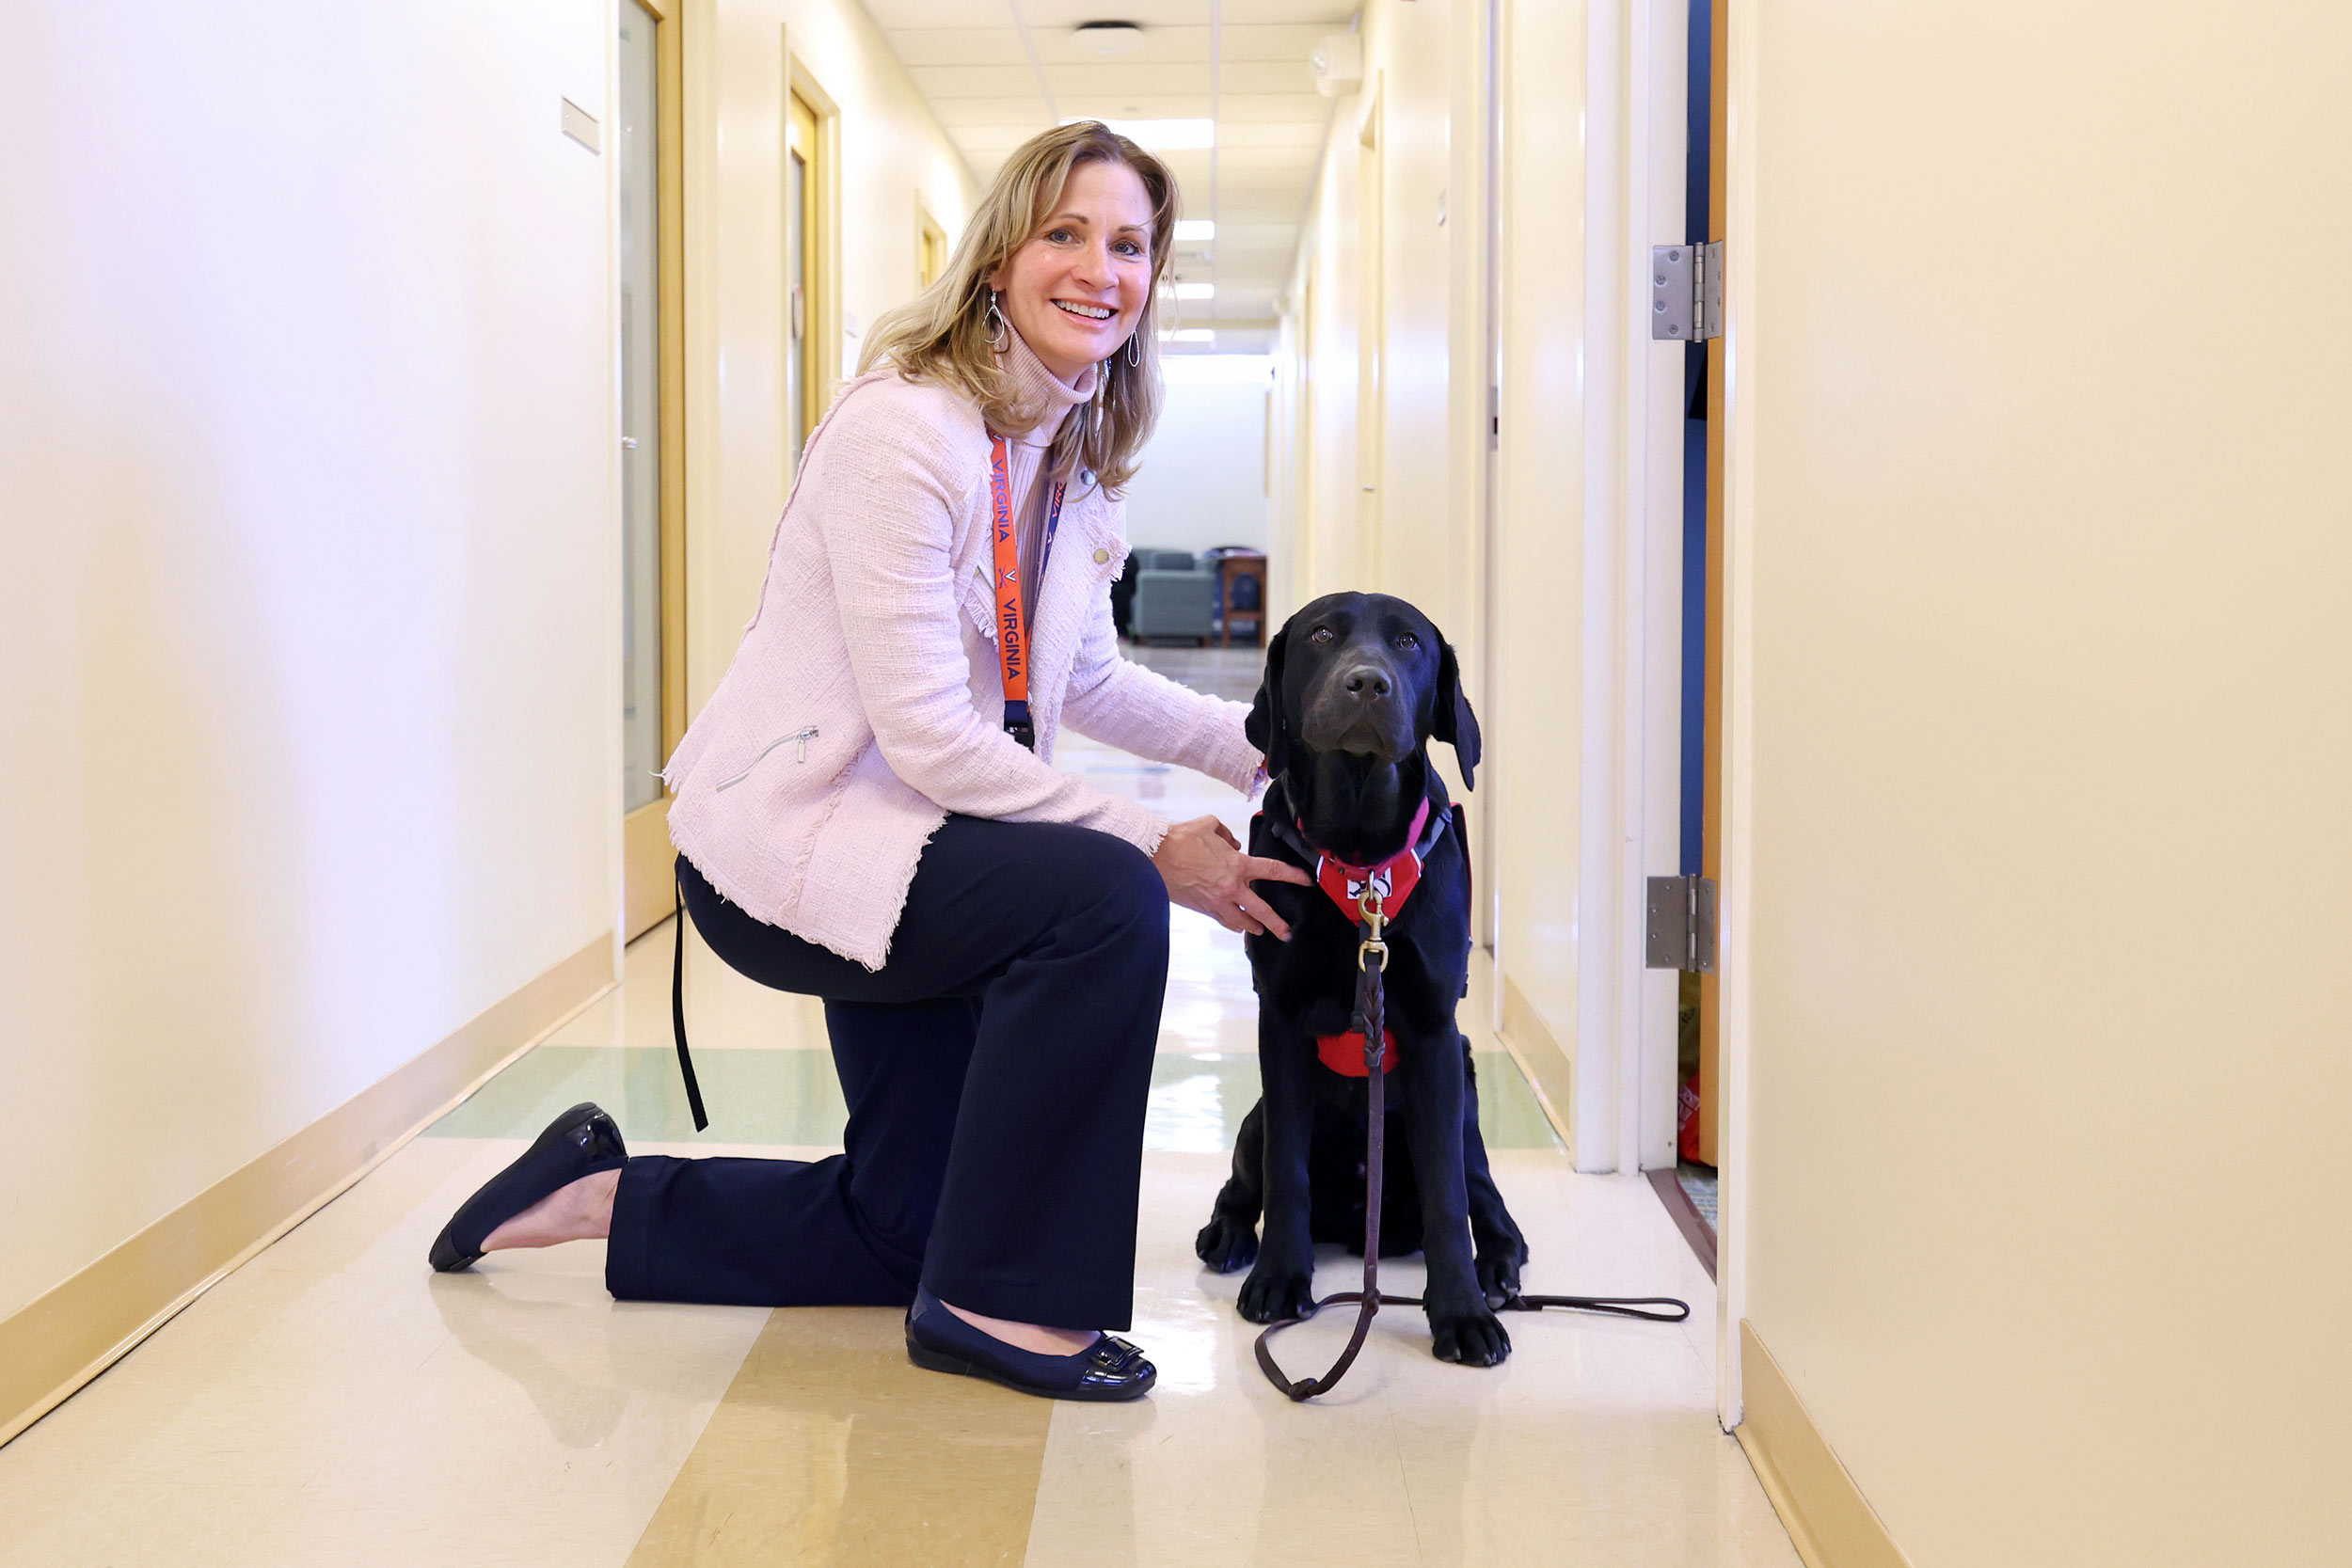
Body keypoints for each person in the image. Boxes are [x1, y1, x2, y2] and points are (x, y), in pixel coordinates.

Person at [427, 121, 1311, 1402]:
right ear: (1001, 254)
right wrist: (1151, 847)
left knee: (905, 1222)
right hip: (798, 848)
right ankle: (1003, 1307)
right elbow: (934, 738)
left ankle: (596, 1199)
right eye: (1065, 232)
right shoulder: (908, 432)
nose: (1099, 268)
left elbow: (1087, 680)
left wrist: (1266, 755)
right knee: (1105, 903)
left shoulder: (1066, 452)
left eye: (1128, 245)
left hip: (928, 853)